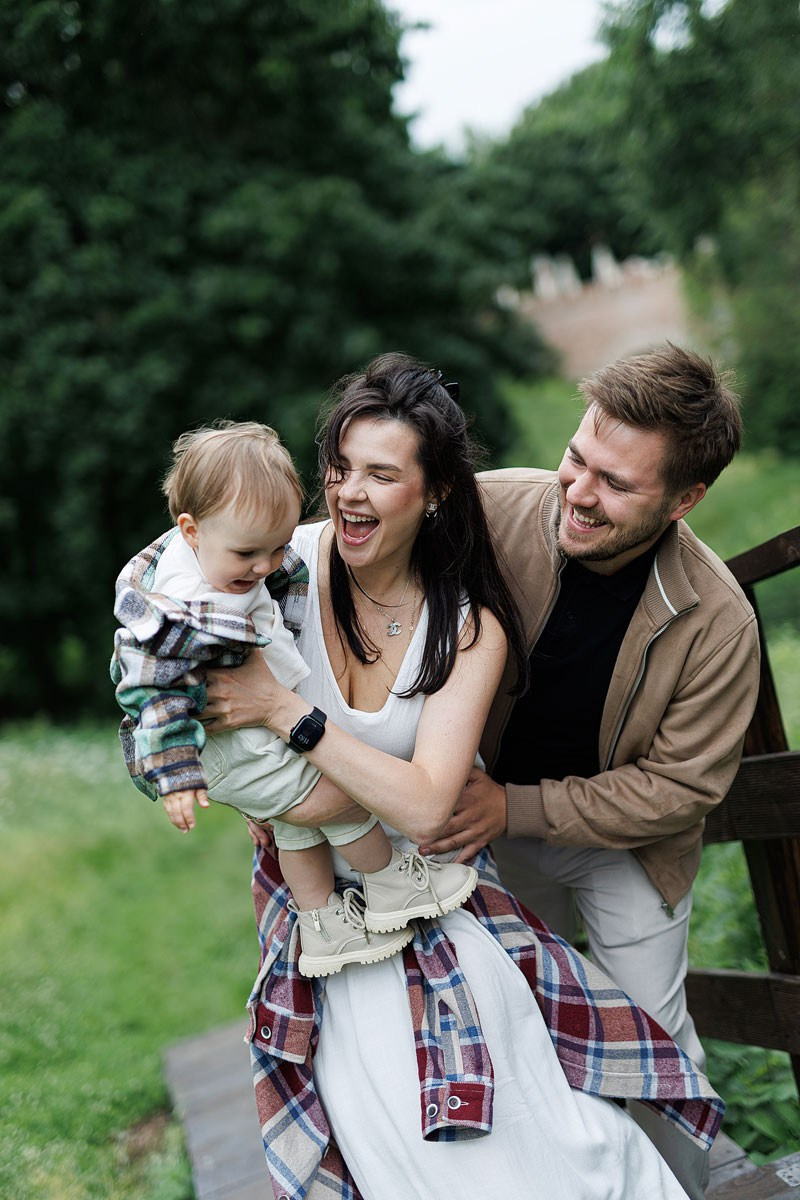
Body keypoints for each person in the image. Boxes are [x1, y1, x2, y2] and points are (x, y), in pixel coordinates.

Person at [201, 354, 724, 1200]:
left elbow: (427, 803)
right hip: (334, 910)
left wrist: (284, 719)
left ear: (438, 490)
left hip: (462, 880)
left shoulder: (473, 625)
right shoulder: (276, 568)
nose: (349, 493)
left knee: (570, 1107)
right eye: (338, 467)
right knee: (401, 1130)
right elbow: (167, 609)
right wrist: (242, 781)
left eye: (381, 474)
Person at [421, 344, 761, 1198]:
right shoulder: (488, 510)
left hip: (623, 843)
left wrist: (515, 807)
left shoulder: (719, 621)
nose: (577, 490)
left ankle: (682, 1187)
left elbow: (682, 787)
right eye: (577, 458)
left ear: (684, 499)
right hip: (471, 822)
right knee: (496, 1030)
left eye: (615, 483)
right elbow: (342, 551)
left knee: (652, 1042)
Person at [111, 420, 478, 978]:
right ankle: (391, 884)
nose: (265, 566)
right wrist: (177, 772)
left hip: (246, 741)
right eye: (249, 553)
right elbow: (149, 691)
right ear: (190, 531)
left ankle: (322, 923)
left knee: (297, 822)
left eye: (278, 547)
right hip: (221, 748)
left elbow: (279, 581)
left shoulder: (234, 554)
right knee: (341, 791)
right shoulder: (177, 610)